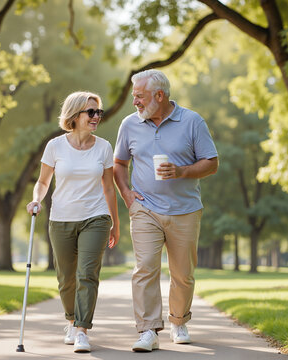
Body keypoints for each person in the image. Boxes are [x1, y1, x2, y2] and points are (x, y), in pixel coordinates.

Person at [113, 69, 218, 352]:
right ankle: (147, 330)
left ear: (159, 96)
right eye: (134, 96)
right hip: (144, 208)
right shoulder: (129, 124)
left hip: (185, 210)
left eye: (139, 96)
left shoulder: (192, 121)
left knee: (183, 273)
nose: (134, 101)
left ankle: (178, 321)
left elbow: (211, 162)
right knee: (145, 268)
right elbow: (119, 163)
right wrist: (127, 195)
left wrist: (182, 171)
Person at [27, 91, 119, 353]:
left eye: (98, 112)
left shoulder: (104, 147)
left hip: (96, 217)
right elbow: (43, 181)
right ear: (74, 115)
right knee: (66, 278)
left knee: (86, 274)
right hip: (61, 218)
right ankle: (70, 320)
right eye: (91, 112)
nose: (96, 117)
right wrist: (36, 199)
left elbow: (109, 188)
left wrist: (115, 223)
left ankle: (81, 330)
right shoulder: (55, 146)